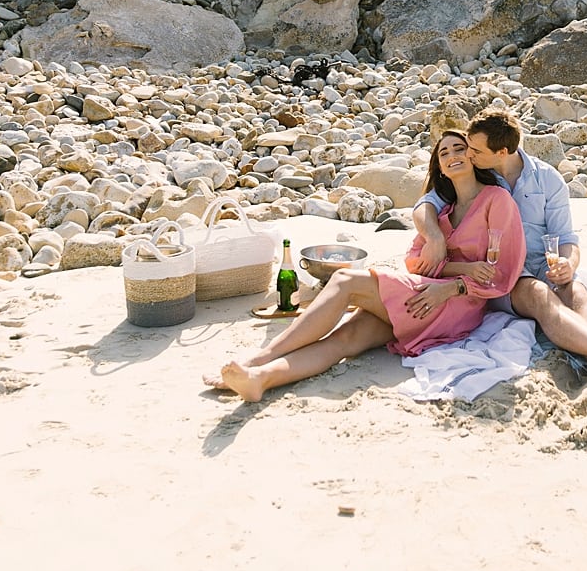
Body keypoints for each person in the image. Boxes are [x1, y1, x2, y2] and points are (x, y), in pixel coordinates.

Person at [204, 131, 525, 402]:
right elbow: (414, 262)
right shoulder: (441, 215)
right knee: (344, 341)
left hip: (457, 306)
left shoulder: (496, 200)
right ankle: (260, 378)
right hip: (426, 298)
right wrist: (457, 266)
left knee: (345, 280)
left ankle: (261, 355)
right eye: (444, 152)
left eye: (460, 148)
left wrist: (455, 284)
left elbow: (503, 270)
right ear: (439, 166)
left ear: (473, 156)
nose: (453, 154)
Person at [412, 111, 587, 387]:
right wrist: (435, 238)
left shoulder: (547, 179)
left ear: (503, 151)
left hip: (543, 263)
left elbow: (566, 236)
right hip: (502, 273)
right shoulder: (475, 176)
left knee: (577, 293)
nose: (468, 154)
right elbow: (424, 205)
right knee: (539, 295)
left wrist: (568, 264)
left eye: (475, 150)